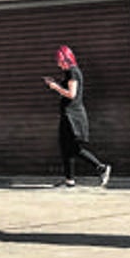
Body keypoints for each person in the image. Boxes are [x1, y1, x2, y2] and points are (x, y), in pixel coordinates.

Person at [44, 45, 111, 188]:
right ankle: (69, 181)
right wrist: (55, 84)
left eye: (61, 61)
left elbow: (71, 94)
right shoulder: (69, 73)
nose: (58, 64)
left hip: (73, 117)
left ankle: (102, 168)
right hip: (67, 115)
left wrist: (55, 87)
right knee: (65, 147)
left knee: (74, 149)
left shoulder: (73, 72)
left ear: (67, 59)